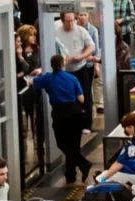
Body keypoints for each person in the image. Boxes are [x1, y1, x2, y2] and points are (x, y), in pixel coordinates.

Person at [29, 54, 91, 183]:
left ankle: (78, 168)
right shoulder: (72, 78)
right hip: (75, 112)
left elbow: (31, 82)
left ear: (52, 65)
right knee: (74, 144)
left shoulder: (47, 78)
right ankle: (73, 172)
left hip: (59, 113)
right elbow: (81, 99)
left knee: (62, 143)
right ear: (63, 64)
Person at [53, 10, 97, 133]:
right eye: (68, 21)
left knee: (85, 95)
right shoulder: (56, 32)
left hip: (80, 67)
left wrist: (83, 56)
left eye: (73, 20)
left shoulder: (81, 31)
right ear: (62, 21)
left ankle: (87, 124)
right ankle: (71, 123)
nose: (71, 23)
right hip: (65, 70)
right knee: (68, 97)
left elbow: (91, 46)